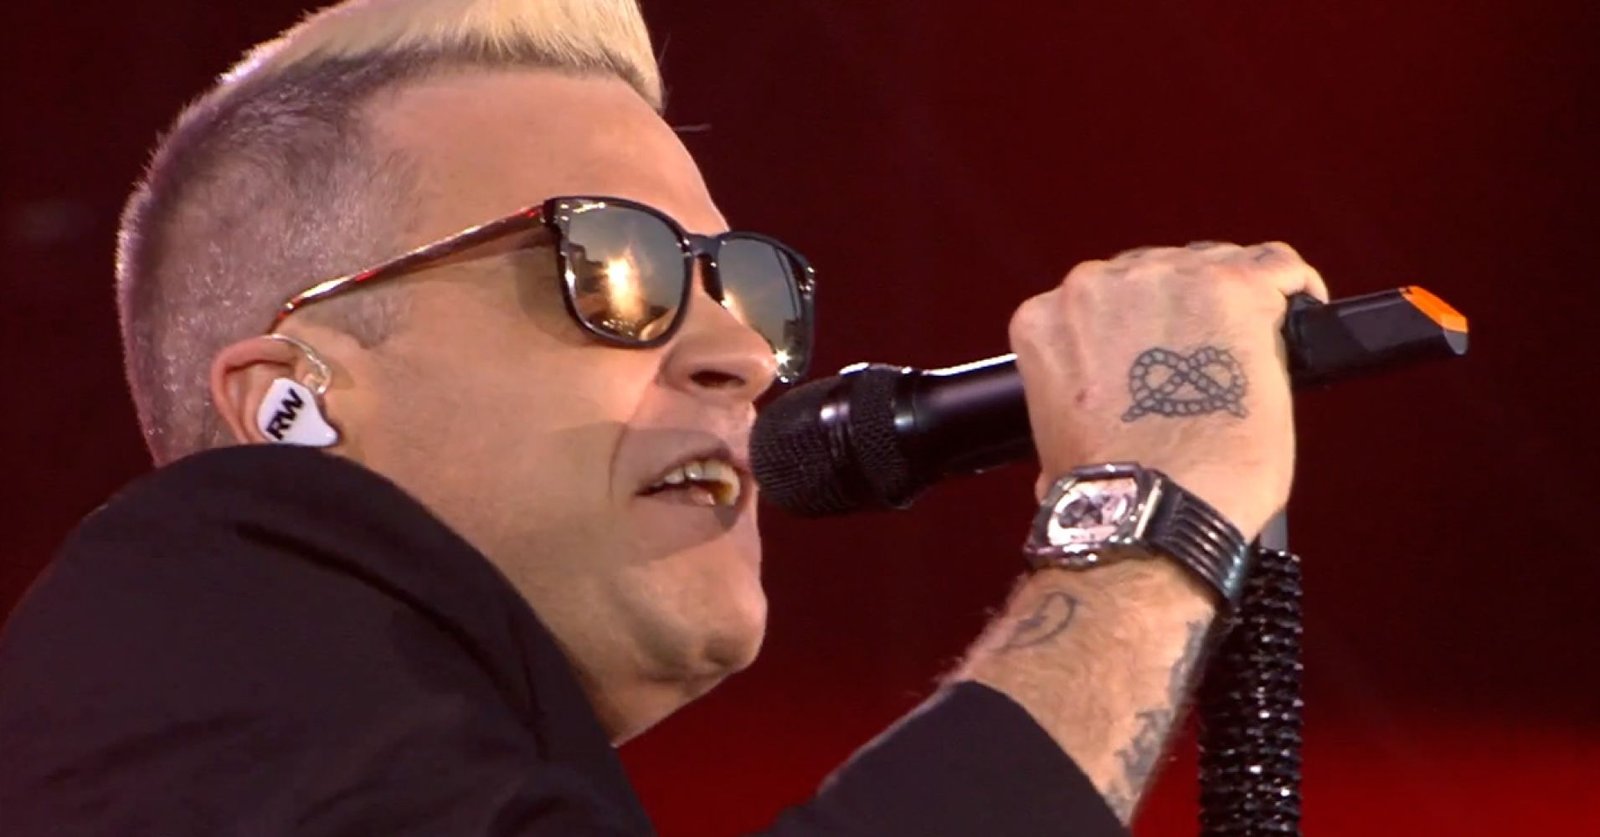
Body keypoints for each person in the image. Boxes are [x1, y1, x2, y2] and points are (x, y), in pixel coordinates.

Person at [0, 0, 1328, 833]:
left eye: (742, 283)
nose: (742, 356)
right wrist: (1145, 524)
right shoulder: (172, 630)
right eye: (611, 266)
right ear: (289, 401)